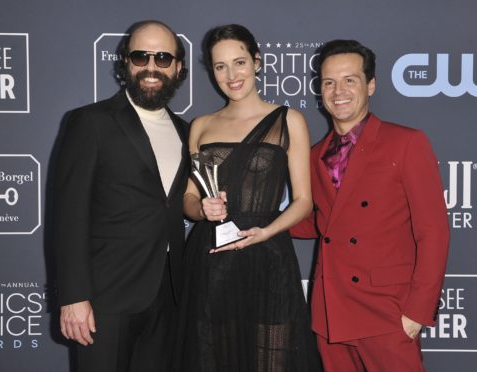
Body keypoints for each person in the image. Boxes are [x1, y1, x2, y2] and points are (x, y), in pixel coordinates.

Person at [291, 39, 450, 371]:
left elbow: (432, 232)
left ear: (371, 85)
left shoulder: (406, 142)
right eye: (329, 82)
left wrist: (416, 314)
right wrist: (253, 217)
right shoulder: (314, 156)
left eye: (350, 80)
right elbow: (314, 222)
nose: (339, 91)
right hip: (330, 312)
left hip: (386, 313)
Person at [173, 24, 321, 372]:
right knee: (213, 358)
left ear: (257, 61)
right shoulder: (201, 125)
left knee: (272, 358)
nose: (231, 75)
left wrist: (267, 232)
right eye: (220, 66)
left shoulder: (288, 120)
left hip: (268, 256)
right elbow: (189, 198)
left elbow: (303, 201)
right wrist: (201, 209)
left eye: (239, 62)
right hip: (212, 260)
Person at [53, 20, 189, 372]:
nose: (150, 66)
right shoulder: (90, 122)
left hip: (168, 296)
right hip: (105, 298)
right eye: (140, 56)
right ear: (125, 63)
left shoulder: (187, 131)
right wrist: (73, 296)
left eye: (162, 58)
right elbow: (68, 216)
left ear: (177, 67)